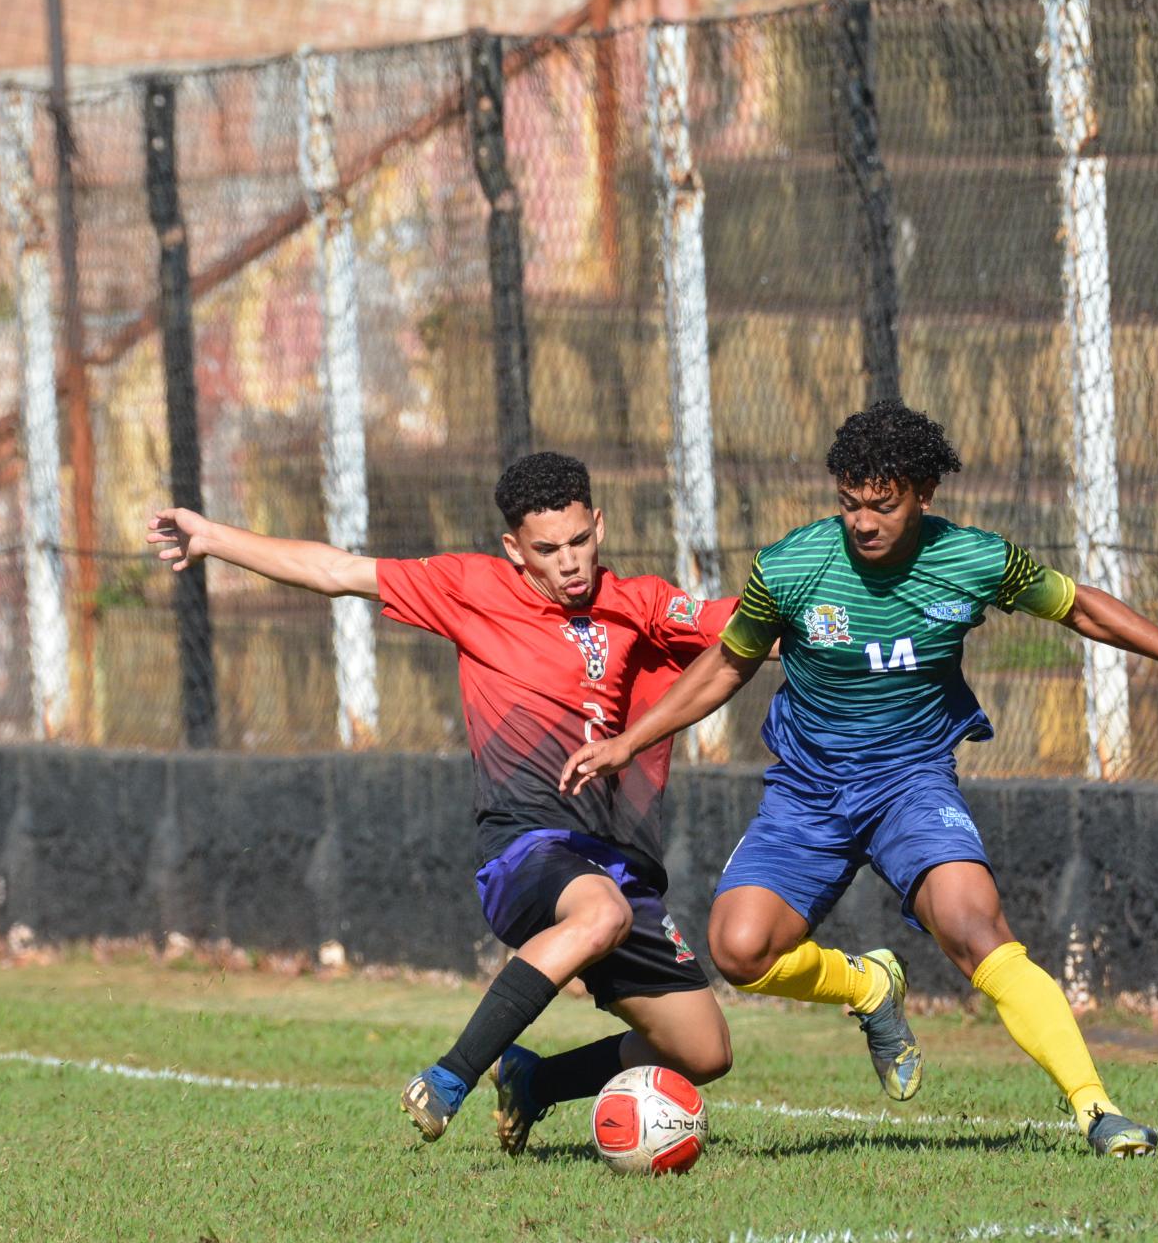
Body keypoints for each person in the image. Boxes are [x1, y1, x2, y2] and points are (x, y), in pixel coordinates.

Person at [562, 401, 1158, 1158]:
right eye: (850, 503)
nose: (863, 522)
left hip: (911, 785)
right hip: (809, 791)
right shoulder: (790, 567)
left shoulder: (975, 559)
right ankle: (869, 987)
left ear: (924, 494)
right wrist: (630, 742)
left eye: (883, 505)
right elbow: (728, 662)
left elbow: (1077, 608)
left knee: (976, 929)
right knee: (739, 949)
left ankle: (1097, 1110)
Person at [148, 452, 797, 1154]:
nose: (569, 563)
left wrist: (852, 616)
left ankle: (533, 1080)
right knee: (600, 912)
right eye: (547, 550)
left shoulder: (640, 602)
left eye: (580, 541)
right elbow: (335, 571)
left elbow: (751, 631)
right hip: (526, 849)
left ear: (600, 526)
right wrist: (214, 538)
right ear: (514, 550)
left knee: (702, 1051)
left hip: (613, 860)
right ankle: (449, 1077)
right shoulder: (471, 588)